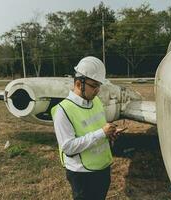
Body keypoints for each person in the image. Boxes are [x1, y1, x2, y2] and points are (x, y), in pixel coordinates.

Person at [51, 56, 119, 200]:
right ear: (78, 83)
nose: (98, 90)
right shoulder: (63, 110)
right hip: (82, 174)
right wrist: (101, 133)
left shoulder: (96, 102)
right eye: (94, 86)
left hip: (102, 168)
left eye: (99, 86)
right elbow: (68, 147)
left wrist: (109, 134)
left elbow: (98, 128)